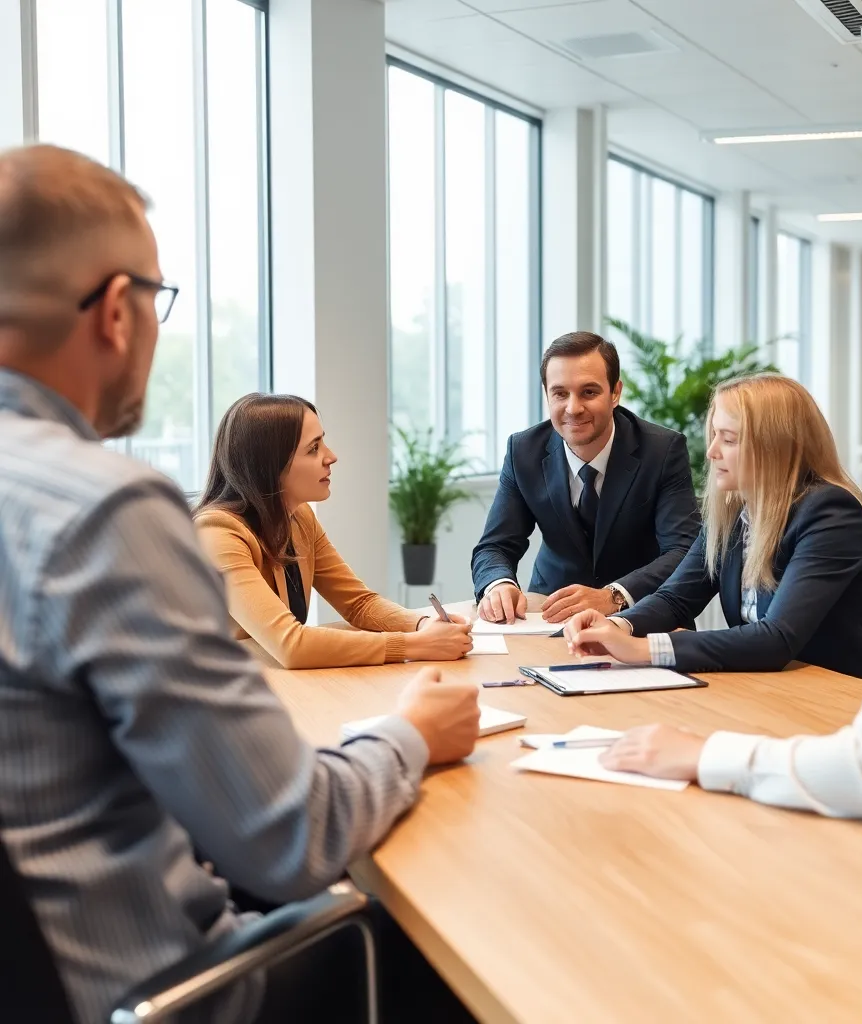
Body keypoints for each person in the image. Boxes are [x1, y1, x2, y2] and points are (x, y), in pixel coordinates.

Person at [0, 143, 480, 1023]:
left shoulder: (272, 520)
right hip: (171, 994)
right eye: (156, 299)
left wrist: (409, 635)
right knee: (460, 952)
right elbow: (291, 838)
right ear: (116, 310)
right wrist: (411, 733)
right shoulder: (105, 511)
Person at [594, 216, 862, 825]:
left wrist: (704, 753)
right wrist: (621, 628)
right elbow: (680, 591)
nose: (713, 453)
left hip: (836, 712)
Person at [563, 374, 862, 681]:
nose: (712, 451)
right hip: (770, 690)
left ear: (774, 447)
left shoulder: (830, 513)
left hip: (840, 697)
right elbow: (675, 599)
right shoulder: (733, 514)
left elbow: (776, 639)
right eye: (714, 435)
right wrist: (618, 625)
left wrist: (642, 649)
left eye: (728, 439)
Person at [194, 393, 472, 669]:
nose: (331, 457)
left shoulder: (299, 517)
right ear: (270, 464)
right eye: (313, 448)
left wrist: (423, 625)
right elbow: (291, 645)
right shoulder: (217, 533)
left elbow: (358, 604)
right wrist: (416, 645)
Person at [472, 331, 701, 624]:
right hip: (550, 616)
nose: (573, 408)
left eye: (589, 392)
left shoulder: (662, 450)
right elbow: (495, 546)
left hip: (641, 616)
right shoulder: (523, 451)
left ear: (615, 392)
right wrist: (499, 583)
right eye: (560, 393)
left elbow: (684, 550)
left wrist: (613, 596)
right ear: (547, 395)